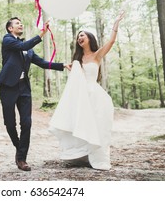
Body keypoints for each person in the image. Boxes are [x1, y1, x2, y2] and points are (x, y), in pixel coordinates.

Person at [49, 12, 124, 171]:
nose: (79, 38)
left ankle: (98, 157)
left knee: (98, 126)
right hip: (81, 98)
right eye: (78, 37)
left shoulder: (97, 55)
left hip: (96, 97)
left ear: (89, 38)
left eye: (82, 35)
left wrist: (116, 23)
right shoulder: (77, 60)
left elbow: (111, 41)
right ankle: (81, 156)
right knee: (81, 124)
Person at [0, 17, 70, 171]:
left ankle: (22, 158)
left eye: (21, 23)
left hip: (24, 89)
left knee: (27, 123)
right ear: (10, 28)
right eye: (17, 23)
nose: (21, 24)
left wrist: (62, 65)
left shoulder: (28, 49)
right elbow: (23, 44)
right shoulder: (8, 40)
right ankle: (19, 147)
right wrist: (42, 33)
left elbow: (42, 62)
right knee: (10, 123)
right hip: (8, 86)